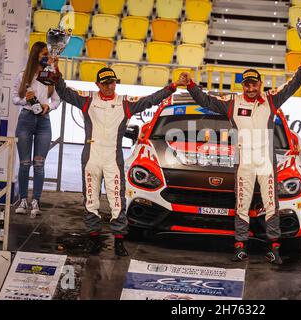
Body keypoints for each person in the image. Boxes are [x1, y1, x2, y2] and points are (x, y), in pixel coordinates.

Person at [179, 53, 301, 264]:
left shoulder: (271, 99)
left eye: (254, 84)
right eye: (246, 85)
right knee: (242, 205)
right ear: (242, 86)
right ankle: (240, 247)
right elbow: (206, 101)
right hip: (244, 164)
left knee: (271, 205)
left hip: (266, 163)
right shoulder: (232, 102)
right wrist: (191, 85)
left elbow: (292, 85)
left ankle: (274, 248)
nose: (250, 88)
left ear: (260, 84)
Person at [53, 65, 184, 256]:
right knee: (91, 199)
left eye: (112, 82)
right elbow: (64, 92)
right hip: (91, 157)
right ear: (97, 84)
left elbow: (150, 100)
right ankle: (94, 239)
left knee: (117, 201)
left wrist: (173, 86)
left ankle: (119, 242)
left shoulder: (125, 103)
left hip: (113, 158)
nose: (109, 86)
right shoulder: (88, 100)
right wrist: (56, 72)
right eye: (105, 83)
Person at [12, 41, 61, 217]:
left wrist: (49, 106)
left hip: (43, 122)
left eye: (47, 53)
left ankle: (36, 202)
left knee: (39, 164)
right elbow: (14, 99)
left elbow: (57, 100)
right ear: (36, 55)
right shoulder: (23, 76)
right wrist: (26, 99)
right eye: (44, 54)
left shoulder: (50, 75)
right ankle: (23, 200)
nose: (47, 56)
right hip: (25, 120)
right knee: (25, 164)